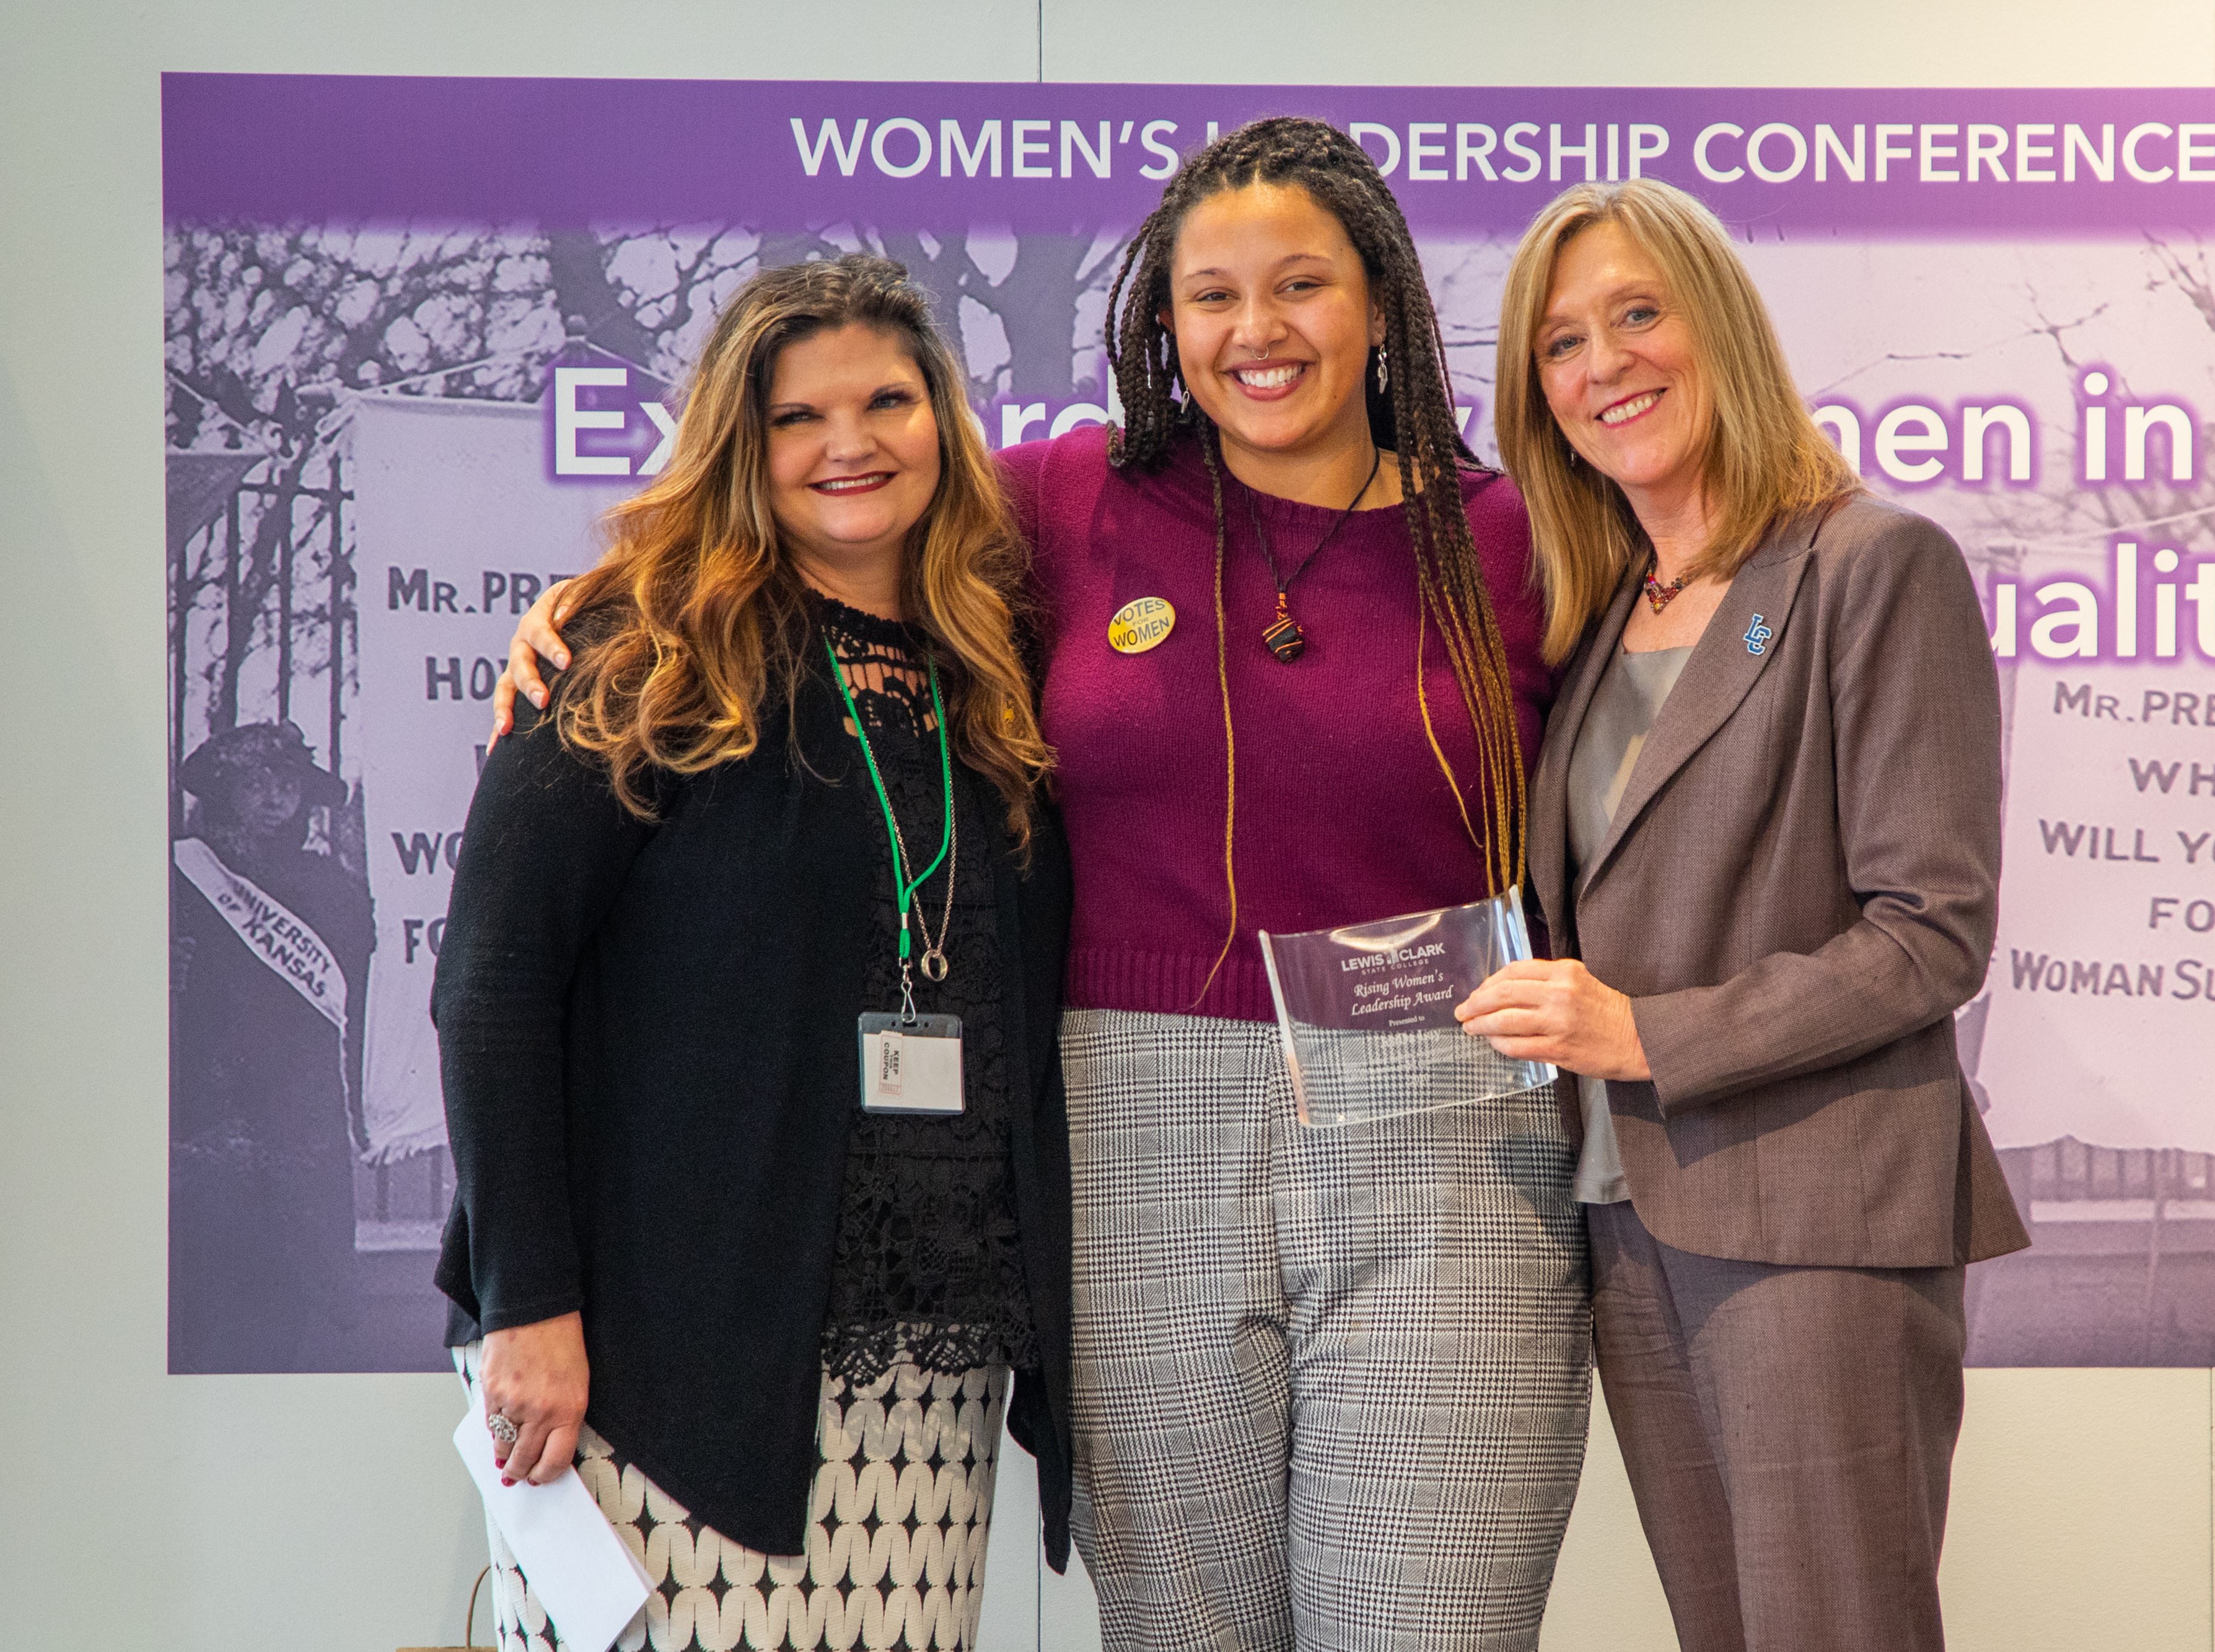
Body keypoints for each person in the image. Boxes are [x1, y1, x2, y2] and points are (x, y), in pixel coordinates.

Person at [498, 118, 1591, 1652]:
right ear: (1160, 321)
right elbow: (817, 512)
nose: (1255, 332)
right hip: (1135, 1119)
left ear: (1381, 300)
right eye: (1211, 295)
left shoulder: (1514, 535)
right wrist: (600, 605)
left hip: (1445, 1127)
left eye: (1301, 286)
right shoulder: (1057, 505)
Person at [434, 254, 1074, 1652]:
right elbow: (491, 984)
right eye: (797, 417)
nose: (848, 444)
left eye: (888, 401)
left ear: (942, 423)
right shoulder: (636, 650)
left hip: (924, 1344)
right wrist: (525, 1299)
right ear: (739, 442)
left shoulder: (994, 663)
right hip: (658, 1340)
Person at [1455, 179, 2030, 1652]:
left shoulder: (1868, 566)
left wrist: (1645, 1033)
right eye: (1562, 344)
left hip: (1811, 1217)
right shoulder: (1596, 618)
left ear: (1718, 325)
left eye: (1637, 314)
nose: (1604, 365)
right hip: (1624, 1213)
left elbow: (1928, 931)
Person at [170, 719, 375, 1371]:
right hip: (212, 1101)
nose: (272, 796)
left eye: (285, 781)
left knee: (299, 1300)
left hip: (301, 1106)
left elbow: (359, 988)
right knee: (210, 1287)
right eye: (253, 781)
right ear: (226, 790)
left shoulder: (335, 886)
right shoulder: (183, 874)